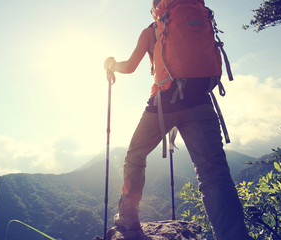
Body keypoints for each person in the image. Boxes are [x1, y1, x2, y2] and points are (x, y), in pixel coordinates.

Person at [104, 0, 252, 239]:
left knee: (135, 155)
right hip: (200, 100)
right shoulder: (195, 17)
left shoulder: (151, 30)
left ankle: (129, 219)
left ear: (156, 7)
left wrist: (111, 65)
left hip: (165, 103)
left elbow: (130, 67)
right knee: (214, 173)